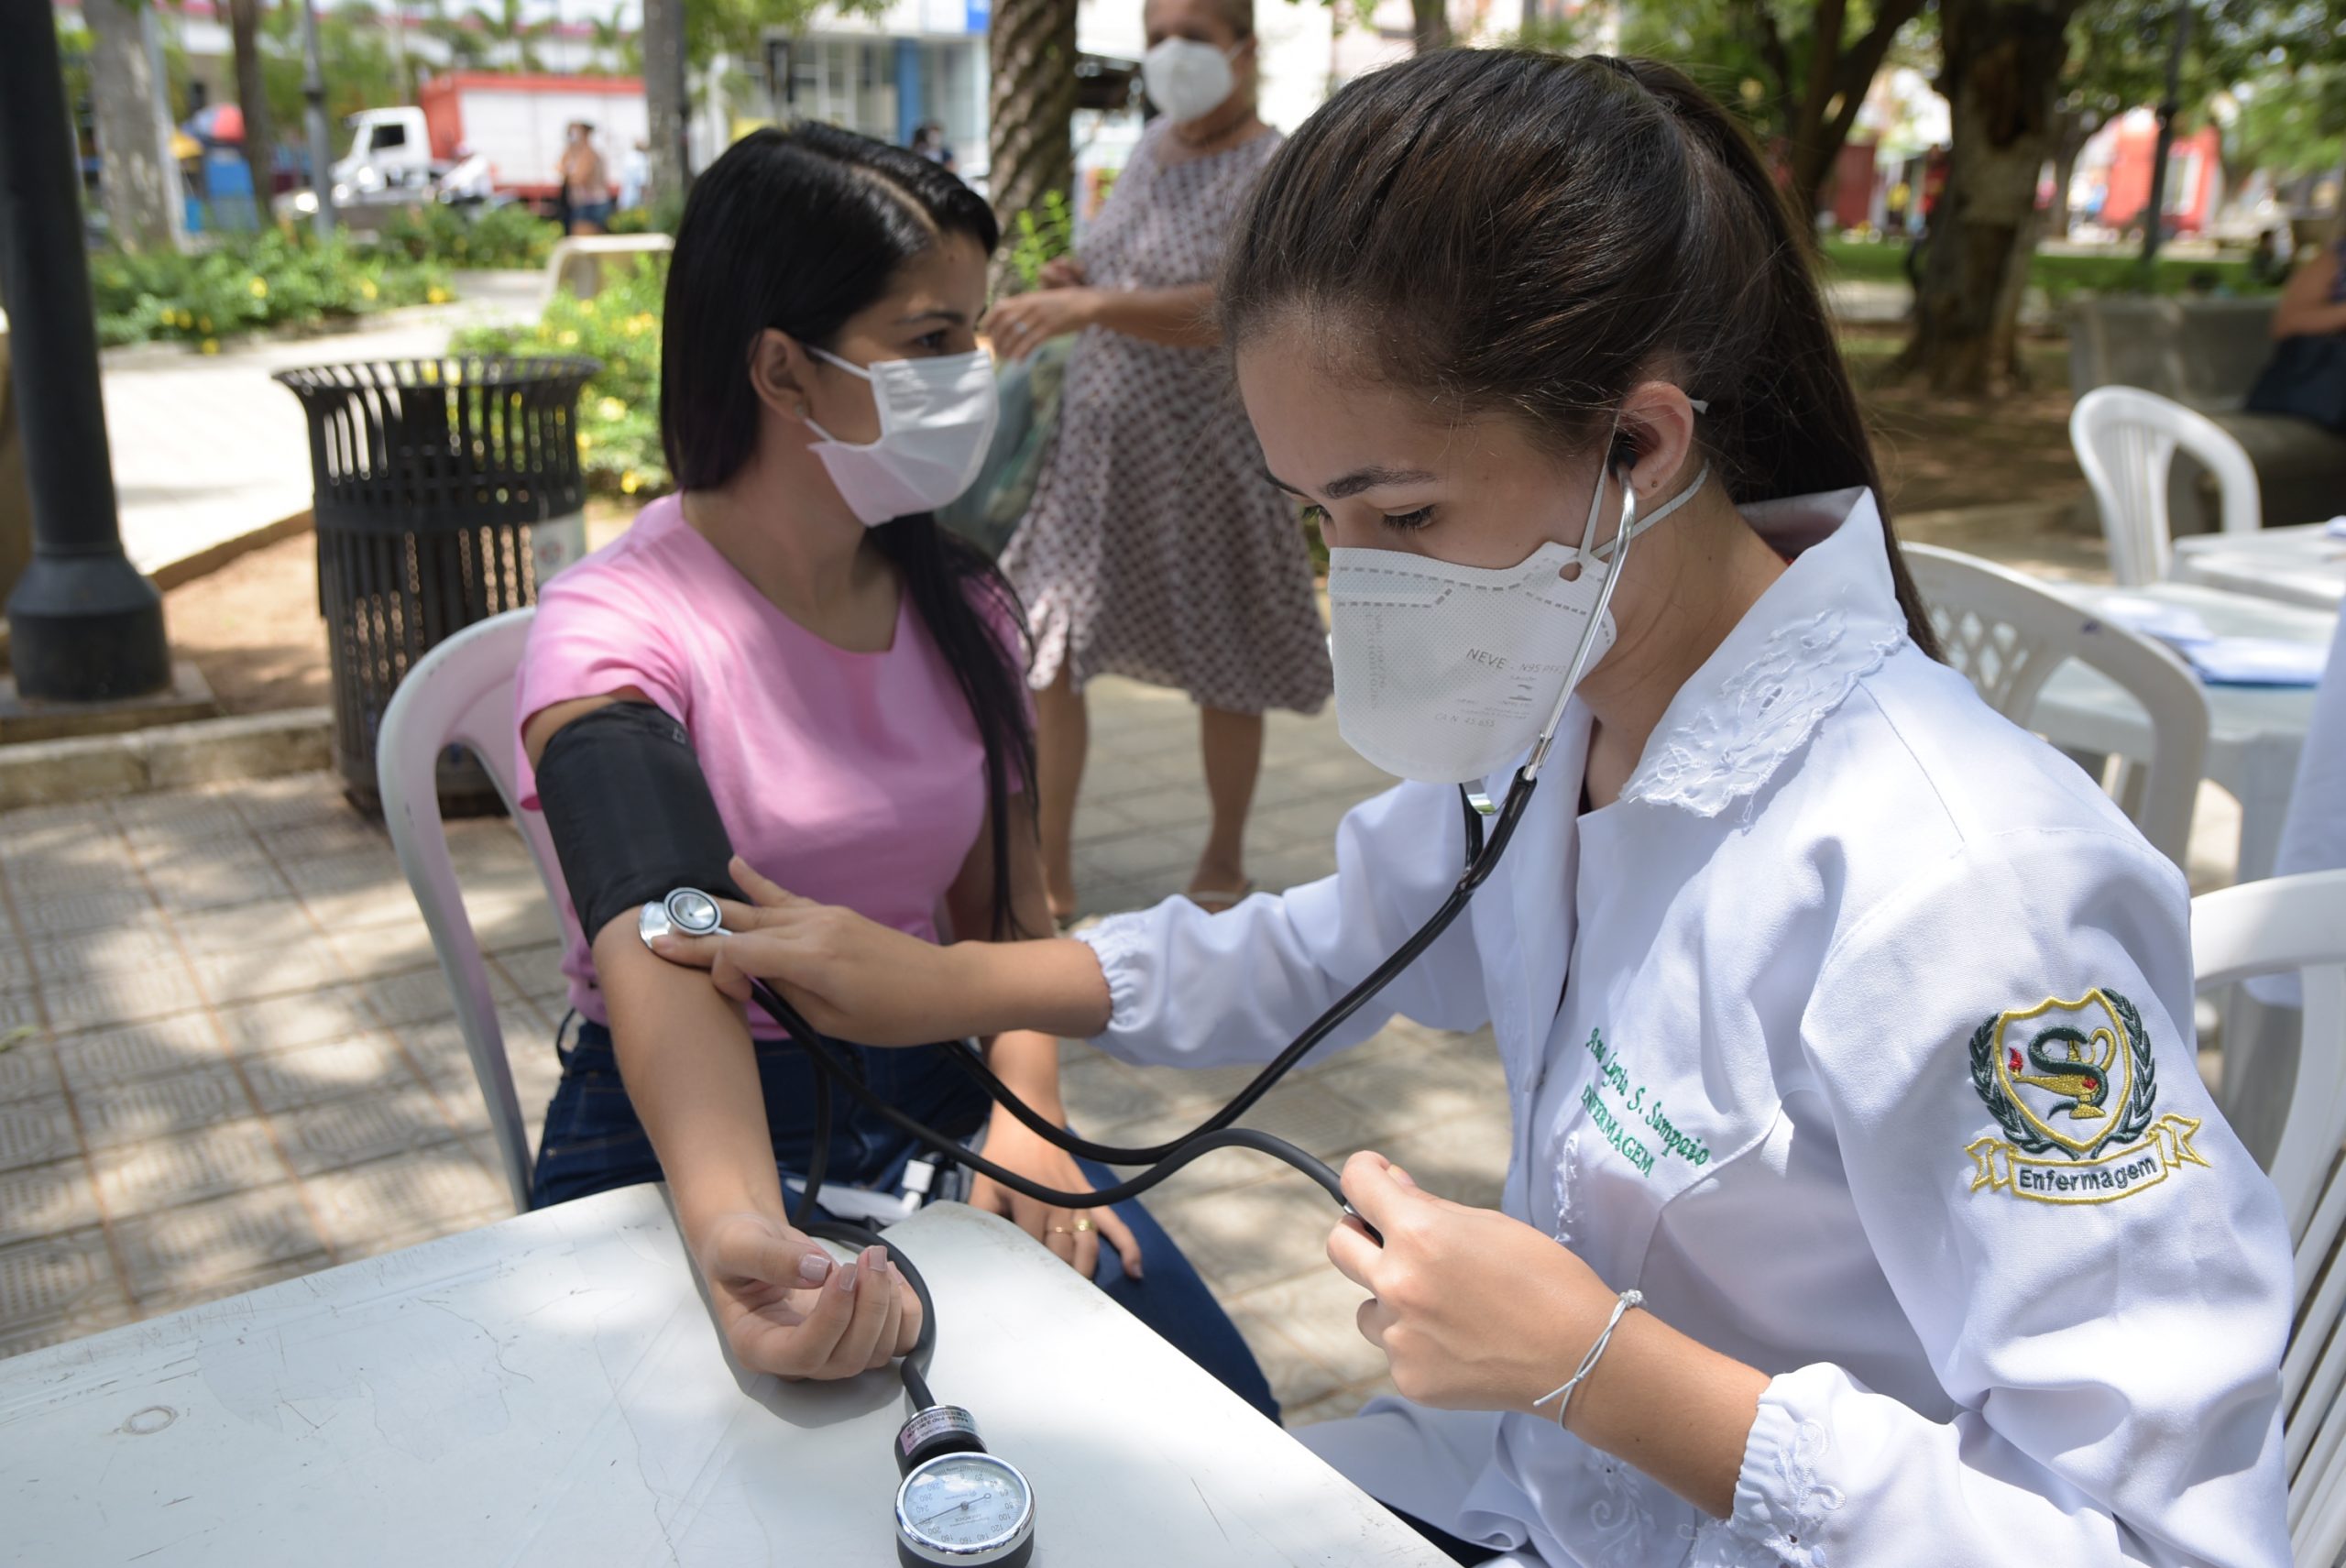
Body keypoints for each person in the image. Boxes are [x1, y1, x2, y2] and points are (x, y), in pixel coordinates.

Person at [655, 52, 2295, 1564]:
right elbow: (1331, 944)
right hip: (1531, 1493)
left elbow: (2168, 1541)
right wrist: (937, 981)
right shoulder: (1568, 704)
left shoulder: (1966, 890)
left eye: (1407, 513)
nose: (1356, 589)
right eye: (1319, 522)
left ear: (1638, 445)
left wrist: (1611, 1373)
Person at [513, 125, 1275, 1416]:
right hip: (682, 1131)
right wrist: (741, 1234)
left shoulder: (964, 604)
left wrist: (1031, 1120)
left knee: (1220, 1410)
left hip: (933, 1090)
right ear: (780, 369)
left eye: (974, 330)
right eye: (931, 340)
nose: (975, 371)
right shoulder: (611, 627)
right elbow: (670, 932)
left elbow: (1009, 920)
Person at [986, 0, 1333, 922]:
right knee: (1047, 647)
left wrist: (1092, 307)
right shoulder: (1147, 150)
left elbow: (1235, 307)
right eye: (1155, 38)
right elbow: (1115, 269)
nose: (1170, 57)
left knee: (1227, 658)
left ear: (1244, 49)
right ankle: (1048, 865)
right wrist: (1075, 280)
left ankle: (1223, 856)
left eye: (1191, 35)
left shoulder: (1275, 164)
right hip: (1098, 458)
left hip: (1209, 458)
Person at [558, 121, 610, 235]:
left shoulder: (590, 153)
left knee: (586, 243)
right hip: (582, 203)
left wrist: (568, 175)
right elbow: (559, 167)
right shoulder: (574, 153)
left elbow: (579, 179)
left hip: (591, 204)